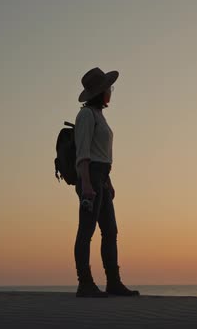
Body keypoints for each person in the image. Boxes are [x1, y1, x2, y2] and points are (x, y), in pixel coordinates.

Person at [73, 67, 139, 298]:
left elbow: (100, 153)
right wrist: (88, 185)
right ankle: (85, 283)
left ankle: (114, 282)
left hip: (101, 177)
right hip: (89, 178)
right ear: (99, 92)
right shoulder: (86, 116)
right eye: (108, 88)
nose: (110, 91)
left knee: (110, 231)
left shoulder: (99, 115)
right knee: (86, 231)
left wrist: (107, 182)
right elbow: (83, 154)